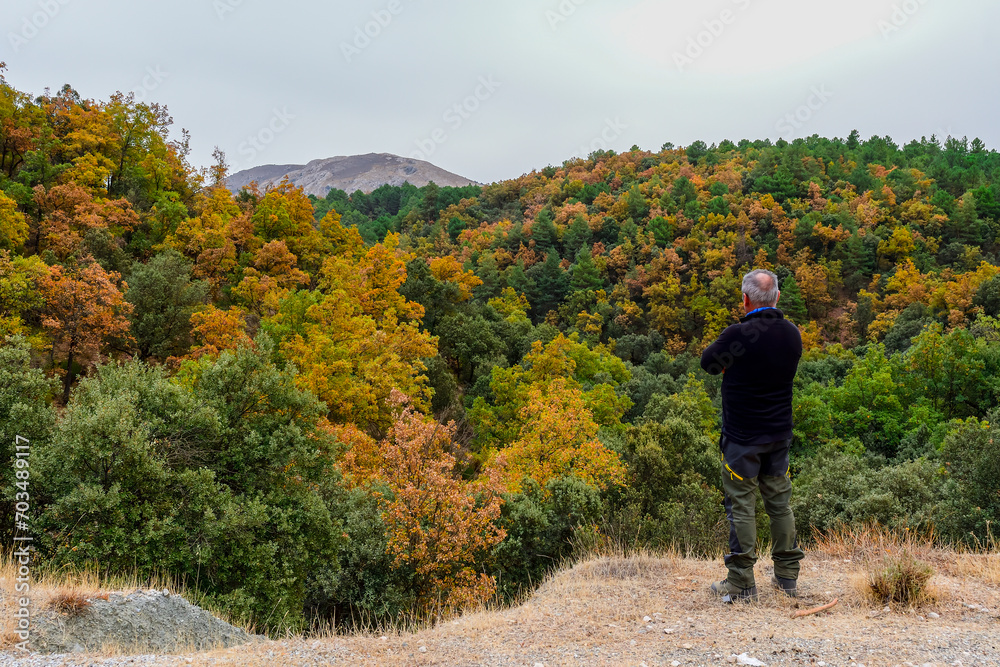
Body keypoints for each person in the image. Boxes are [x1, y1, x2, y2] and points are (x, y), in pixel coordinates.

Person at [700, 269, 805, 603]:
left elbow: (708, 363)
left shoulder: (738, 335)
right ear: (776, 297)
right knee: (779, 502)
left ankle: (742, 582)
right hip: (779, 435)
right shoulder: (792, 334)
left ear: (745, 299)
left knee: (741, 506)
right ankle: (787, 577)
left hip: (743, 437)